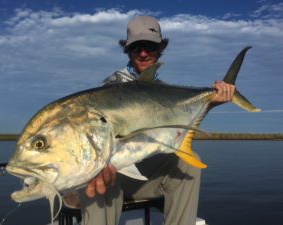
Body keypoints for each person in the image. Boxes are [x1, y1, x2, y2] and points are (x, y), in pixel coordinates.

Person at [78, 15, 235, 225]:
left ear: (160, 48)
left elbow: (176, 131)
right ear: (127, 49)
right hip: (116, 180)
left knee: (189, 165)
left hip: (144, 177)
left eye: (150, 47)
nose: (143, 54)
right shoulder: (112, 88)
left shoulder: (164, 91)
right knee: (101, 172)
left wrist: (211, 102)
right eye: (136, 47)